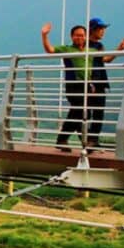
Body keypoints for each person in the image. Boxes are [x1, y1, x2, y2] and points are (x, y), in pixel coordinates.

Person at [41, 22, 93, 152]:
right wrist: (44, 35)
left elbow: (105, 59)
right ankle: (65, 139)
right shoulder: (67, 49)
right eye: (76, 35)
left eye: (82, 35)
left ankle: (83, 142)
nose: (79, 37)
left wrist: (119, 49)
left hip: (87, 85)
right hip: (73, 85)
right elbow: (50, 50)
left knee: (82, 113)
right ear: (72, 36)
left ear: (86, 36)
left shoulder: (90, 51)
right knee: (79, 110)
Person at [86, 18, 124, 150]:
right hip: (89, 81)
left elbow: (106, 59)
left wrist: (119, 49)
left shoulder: (99, 45)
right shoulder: (84, 45)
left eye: (104, 29)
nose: (103, 31)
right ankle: (86, 139)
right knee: (86, 112)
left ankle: (93, 139)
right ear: (92, 29)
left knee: (99, 112)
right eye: (100, 29)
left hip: (100, 81)